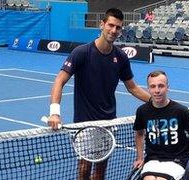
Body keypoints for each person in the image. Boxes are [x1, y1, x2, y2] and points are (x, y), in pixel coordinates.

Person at [48, 8, 151, 180]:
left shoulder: (121, 57)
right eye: (110, 25)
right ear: (102, 24)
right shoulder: (81, 52)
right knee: (84, 168)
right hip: (84, 124)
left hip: (108, 123)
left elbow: (132, 87)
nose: (113, 30)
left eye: (118, 27)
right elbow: (59, 81)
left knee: (101, 171)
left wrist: (158, 103)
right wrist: (54, 113)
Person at [133, 70, 189, 180]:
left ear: (167, 87)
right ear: (148, 89)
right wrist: (140, 157)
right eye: (153, 86)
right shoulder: (142, 111)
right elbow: (139, 134)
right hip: (153, 160)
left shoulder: (181, 111)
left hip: (177, 160)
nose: (157, 90)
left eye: (161, 86)